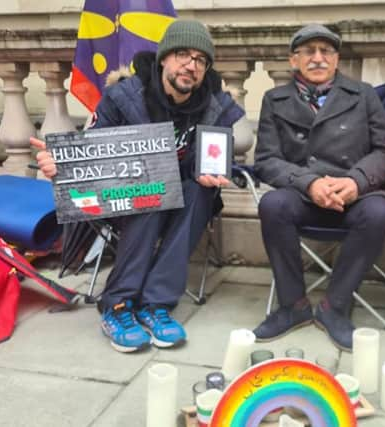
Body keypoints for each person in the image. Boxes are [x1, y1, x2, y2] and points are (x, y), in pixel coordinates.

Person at [32, 20, 244, 353]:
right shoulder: (124, 96)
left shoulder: (215, 106)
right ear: (164, 59)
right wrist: (63, 165)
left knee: (199, 191)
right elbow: (95, 150)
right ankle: (117, 304)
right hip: (126, 199)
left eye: (201, 60)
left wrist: (212, 172)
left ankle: (155, 304)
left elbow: (216, 158)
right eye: (183, 55)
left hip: (181, 200)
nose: (192, 65)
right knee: (149, 191)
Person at [251, 24, 385, 351]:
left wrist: (355, 181)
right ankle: (294, 307)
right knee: (272, 205)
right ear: (294, 60)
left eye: (326, 51)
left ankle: (335, 306)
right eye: (309, 51)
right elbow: (266, 159)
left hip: (354, 195)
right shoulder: (274, 100)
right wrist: (310, 182)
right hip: (303, 195)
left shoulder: (364, 95)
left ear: (336, 59)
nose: (318, 58)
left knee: (379, 211)